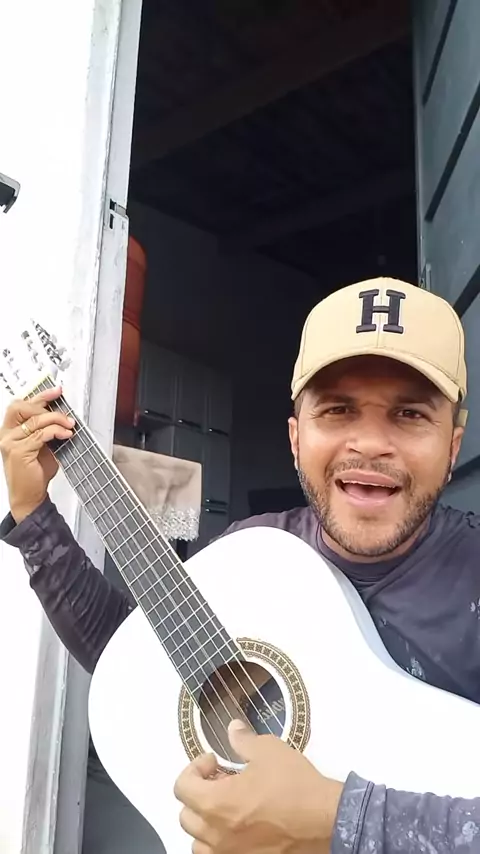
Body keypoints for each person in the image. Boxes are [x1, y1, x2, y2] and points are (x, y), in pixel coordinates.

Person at [2, 276, 480, 853]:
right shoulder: (253, 554)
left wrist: (336, 822)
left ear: (453, 445)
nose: (370, 443)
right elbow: (138, 663)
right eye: (337, 409)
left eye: (408, 414)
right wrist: (34, 515)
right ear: (296, 437)